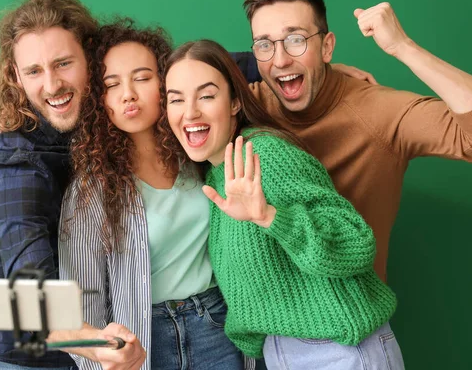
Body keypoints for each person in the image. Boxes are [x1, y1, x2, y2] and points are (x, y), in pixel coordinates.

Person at [235, 0, 472, 281]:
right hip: (266, 324)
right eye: (264, 44)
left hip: (355, 320)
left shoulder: (379, 112)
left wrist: (403, 47)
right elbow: (186, 74)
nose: (280, 59)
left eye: (296, 40)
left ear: (327, 47)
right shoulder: (247, 106)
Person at [164, 39, 405, 369]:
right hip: (284, 352)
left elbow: (356, 243)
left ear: (235, 102)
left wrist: (270, 216)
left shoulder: (265, 156)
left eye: (206, 95)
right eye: (176, 99)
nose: (190, 112)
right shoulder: (215, 176)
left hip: (338, 349)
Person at [0, 0, 145, 370]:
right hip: (15, 359)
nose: (52, 84)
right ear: (15, 76)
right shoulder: (17, 160)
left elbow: (193, 71)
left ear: (90, 59)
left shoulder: (103, 128)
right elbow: (30, 295)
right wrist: (98, 345)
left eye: (63, 63)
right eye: (34, 71)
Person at [58, 19, 249, 370]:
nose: (128, 93)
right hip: (143, 339)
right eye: (111, 85)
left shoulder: (199, 154)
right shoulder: (92, 189)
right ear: (99, 100)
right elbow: (80, 304)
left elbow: (219, 67)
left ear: (167, 84)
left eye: (142, 78)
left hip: (216, 324)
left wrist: (332, 73)